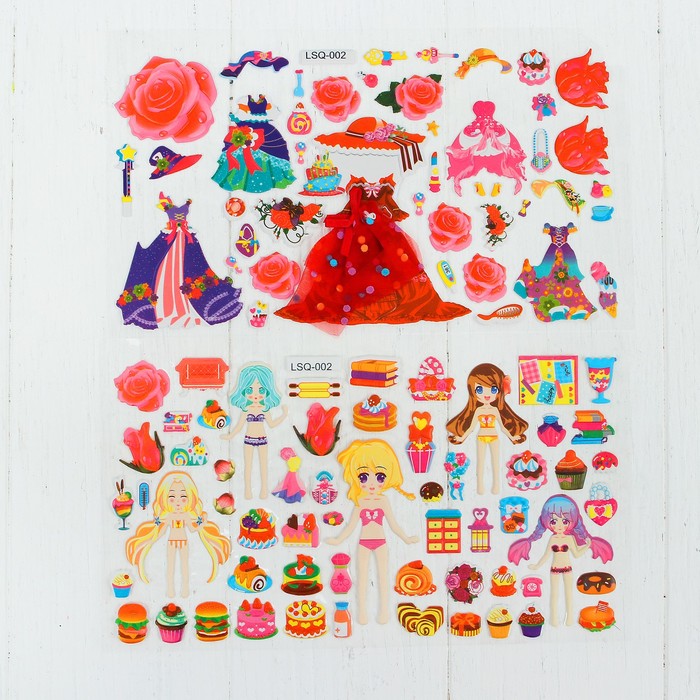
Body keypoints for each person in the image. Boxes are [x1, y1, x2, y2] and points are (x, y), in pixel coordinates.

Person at [327, 439, 418, 625]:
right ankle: (362, 612)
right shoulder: (360, 501)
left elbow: (393, 524)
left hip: (381, 542)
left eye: (380, 477)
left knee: (383, 577)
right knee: (361, 578)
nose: (371, 483)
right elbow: (351, 526)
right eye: (363, 477)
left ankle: (384, 612)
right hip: (363, 543)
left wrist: (406, 538)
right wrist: (338, 540)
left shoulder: (383, 501)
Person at [508, 494, 613, 626]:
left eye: (564, 521)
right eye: (553, 521)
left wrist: (587, 545)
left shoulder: (569, 538)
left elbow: (576, 554)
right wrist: (537, 565)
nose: (559, 525)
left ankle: (569, 618)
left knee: (568, 593)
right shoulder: (552, 539)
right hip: (554, 569)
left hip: (568, 569)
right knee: (554, 594)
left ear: (571, 522)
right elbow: (546, 555)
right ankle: (554, 618)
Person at [125, 471, 231, 598]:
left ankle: (185, 589)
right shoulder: (169, 516)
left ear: (190, 498)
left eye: (183, 497)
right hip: (171, 542)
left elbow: (192, 529)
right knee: (170, 567)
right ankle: (170, 589)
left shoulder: (186, 515)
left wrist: (202, 524)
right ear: (165, 499)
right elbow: (162, 531)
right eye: (172, 498)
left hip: (184, 542)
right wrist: (152, 539)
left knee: (184, 567)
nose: (178, 502)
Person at [446, 363, 528, 495]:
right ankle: (480, 486)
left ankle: (496, 485)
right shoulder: (478, 410)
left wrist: (512, 437)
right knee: (481, 463)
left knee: (496, 463)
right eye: (479, 389)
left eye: (493, 389)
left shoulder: (495, 410)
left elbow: (503, 427)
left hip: (494, 437)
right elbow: (471, 428)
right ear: (472, 391)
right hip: (481, 437)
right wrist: (461, 438)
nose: (487, 394)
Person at [222, 363, 288, 499]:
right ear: (243, 391)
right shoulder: (246, 409)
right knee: (248, 465)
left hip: (262, 439)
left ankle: (264, 490)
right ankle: (248, 490)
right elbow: (239, 426)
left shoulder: (264, 409)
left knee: (264, 465)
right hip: (248, 439)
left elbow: (272, 424)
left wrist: (284, 414)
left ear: (268, 390)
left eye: (261, 390)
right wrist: (230, 435)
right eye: (250, 390)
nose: (256, 394)